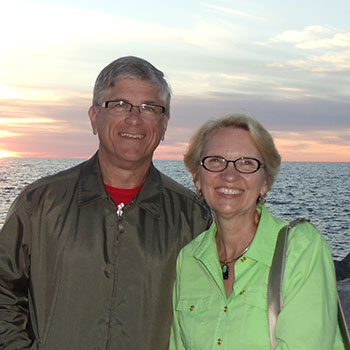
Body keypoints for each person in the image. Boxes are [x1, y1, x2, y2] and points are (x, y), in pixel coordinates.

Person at [0, 56, 211, 349]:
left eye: (149, 108)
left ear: (164, 124)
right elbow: (4, 292)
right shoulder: (38, 205)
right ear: (94, 117)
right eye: (120, 104)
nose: (134, 119)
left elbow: (209, 313)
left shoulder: (193, 218)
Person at [170, 114, 346, 349]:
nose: (229, 175)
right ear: (197, 178)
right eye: (215, 161)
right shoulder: (189, 259)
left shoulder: (300, 248)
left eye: (246, 163)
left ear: (265, 182)